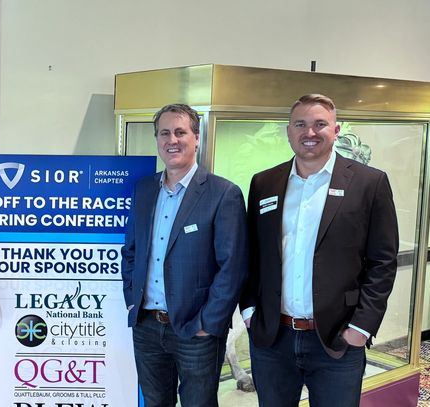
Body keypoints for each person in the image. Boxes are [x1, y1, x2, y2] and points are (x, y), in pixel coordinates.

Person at [240, 94, 398, 406]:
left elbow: (382, 261)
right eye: (300, 124)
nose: (309, 132)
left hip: (337, 340)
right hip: (272, 339)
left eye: (319, 124)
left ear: (336, 130)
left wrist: (361, 328)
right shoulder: (264, 182)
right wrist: (249, 311)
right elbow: (251, 254)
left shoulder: (369, 183)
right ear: (288, 131)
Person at [121, 103, 248, 406]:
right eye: (164, 133)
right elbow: (131, 251)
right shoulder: (144, 189)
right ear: (157, 139)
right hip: (147, 325)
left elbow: (232, 267)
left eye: (180, 132)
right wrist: (132, 300)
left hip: (196, 330)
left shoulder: (223, 193)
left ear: (196, 138)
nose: (172, 140)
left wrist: (209, 323)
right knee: (155, 402)